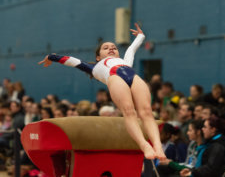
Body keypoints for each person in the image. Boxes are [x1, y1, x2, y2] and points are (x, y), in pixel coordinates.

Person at [38, 23, 166, 160]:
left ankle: (158, 147)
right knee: (129, 111)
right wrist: (52, 57)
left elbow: (131, 49)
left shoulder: (125, 61)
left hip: (133, 76)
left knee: (146, 111)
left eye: (114, 48)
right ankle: (144, 145)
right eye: (106, 48)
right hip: (115, 77)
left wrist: (141, 36)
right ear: (98, 57)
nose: (111, 49)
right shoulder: (94, 67)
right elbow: (72, 61)